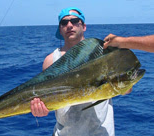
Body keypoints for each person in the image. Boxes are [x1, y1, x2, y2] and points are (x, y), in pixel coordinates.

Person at [30, 7, 118, 136]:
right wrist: (39, 109)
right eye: (64, 23)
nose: (69, 25)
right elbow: (46, 99)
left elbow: (126, 88)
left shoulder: (103, 55)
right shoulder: (51, 61)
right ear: (60, 29)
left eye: (75, 21)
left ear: (84, 26)